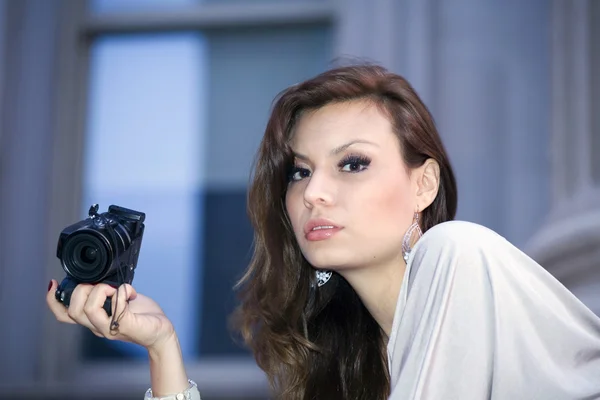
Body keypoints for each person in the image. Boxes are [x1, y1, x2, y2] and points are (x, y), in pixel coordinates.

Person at [47, 64, 600, 400]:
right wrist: (163, 346)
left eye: (353, 163)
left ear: (424, 183)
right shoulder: (356, 365)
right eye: (300, 171)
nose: (313, 192)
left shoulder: (460, 252)